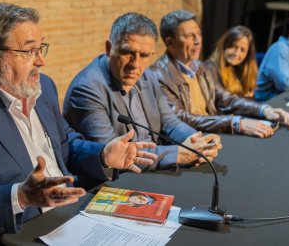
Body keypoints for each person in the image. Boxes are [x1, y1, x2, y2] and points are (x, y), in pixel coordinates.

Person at [0, 3, 158, 245]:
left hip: (72, 218)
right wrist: (19, 197)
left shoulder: (44, 88)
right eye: (30, 51)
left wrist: (103, 155)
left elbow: (65, 143)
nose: (41, 60)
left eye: (41, 47)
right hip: (14, 234)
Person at [63, 12, 221, 170]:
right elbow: (115, 155)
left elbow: (170, 123)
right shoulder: (87, 89)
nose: (135, 64)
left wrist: (196, 141)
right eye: (127, 52)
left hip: (152, 166)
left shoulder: (148, 75)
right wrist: (179, 154)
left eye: (144, 55)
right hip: (115, 178)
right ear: (109, 48)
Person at [149, 10, 289, 138]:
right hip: (190, 140)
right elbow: (182, 118)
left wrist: (264, 110)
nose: (198, 41)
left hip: (212, 132)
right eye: (189, 36)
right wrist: (235, 123)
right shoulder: (157, 75)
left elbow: (225, 98)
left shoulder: (199, 66)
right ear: (170, 42)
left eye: (198, 34)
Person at [206, 25, 258, 98]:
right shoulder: (210, 68)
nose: (237, 53)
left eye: (242, 50)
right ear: (224, 45)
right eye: (233, 47)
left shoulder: (240, 69)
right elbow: (222, 101)